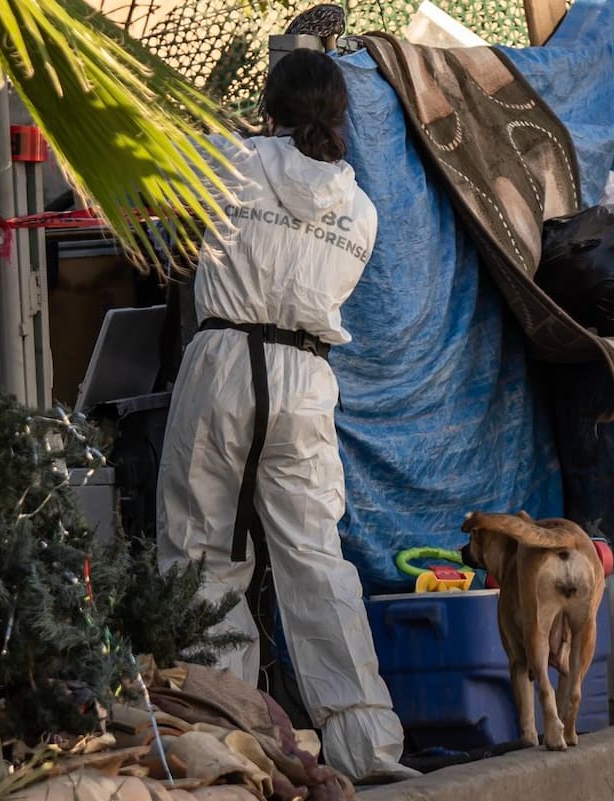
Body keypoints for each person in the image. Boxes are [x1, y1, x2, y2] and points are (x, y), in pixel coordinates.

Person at [155, 49, 417, 783]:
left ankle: (231, 737)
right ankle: (368, 745)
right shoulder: (359, 210)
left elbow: (168, 183)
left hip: (223, 361)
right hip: (304, 377)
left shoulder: (227, 161)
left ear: (268, 108)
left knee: (202, 553)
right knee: (314, 559)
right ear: (340, 115)